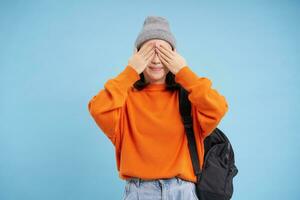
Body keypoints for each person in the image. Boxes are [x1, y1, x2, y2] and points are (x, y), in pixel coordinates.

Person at [88, 16, 228, 200]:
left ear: (174, 55)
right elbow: (98, 108)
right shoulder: (123, 99)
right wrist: (130, 71)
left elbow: (218, 107)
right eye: (148, 52)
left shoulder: (189, 98)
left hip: (182, 192)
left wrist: (183, 71)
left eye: (163, 52)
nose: (155, 60)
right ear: (136, 55)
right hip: (139, 192)